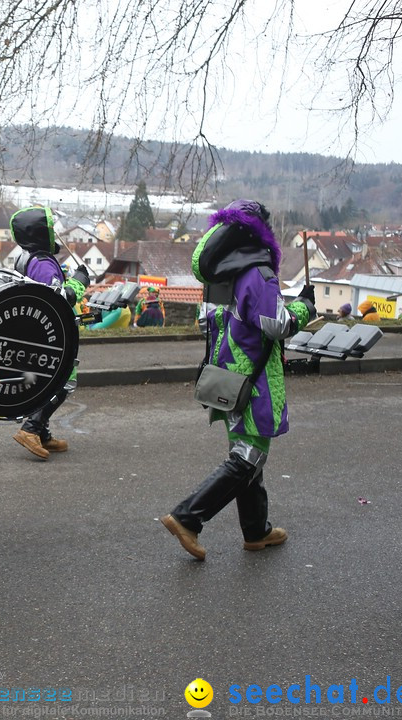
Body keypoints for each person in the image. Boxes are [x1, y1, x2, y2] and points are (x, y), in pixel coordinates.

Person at [161, 199, 315, 561]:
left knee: (246, 452)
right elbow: (276, 324)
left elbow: (208, 322)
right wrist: (304, 307)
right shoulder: (258, 273)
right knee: (250, 454)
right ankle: (188, 518)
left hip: (226, 376)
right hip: (254, 379)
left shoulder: (222, 274)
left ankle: (256, 531)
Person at [7, 206, 90, 460]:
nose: (55, 234)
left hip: (35, 330)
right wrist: (78, 282)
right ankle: (31, 428)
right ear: (40, 232)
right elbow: (58, 299)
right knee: (64, 382)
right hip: (51, 334)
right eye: (51, 229)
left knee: (47, 380)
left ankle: (42, 433)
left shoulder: (27, 256)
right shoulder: (43, 264)